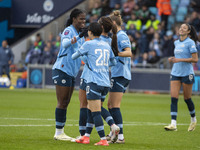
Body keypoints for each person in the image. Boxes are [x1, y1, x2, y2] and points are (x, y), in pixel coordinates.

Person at [73, 17, 120, 144]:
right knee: (93, 107)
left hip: (91, 78)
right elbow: (114, 62)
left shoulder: (89, 43)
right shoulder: (108, 42)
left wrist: (87, 58)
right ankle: (87, 136)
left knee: (90, 108)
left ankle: (103, 135)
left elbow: (75, 56)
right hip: (105, 80)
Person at [52, 8, 87, 141]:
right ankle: (58, 132)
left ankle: (60, 132)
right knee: (62, 101)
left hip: (71, 72)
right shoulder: (69, 30)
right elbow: (65, 43)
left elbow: (81, 52)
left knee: (66, 101)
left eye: (84, 19)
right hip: (62, 69)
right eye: (81, 19)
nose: (83, 21)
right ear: (74, 19)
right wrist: (78, 37)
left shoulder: (80, 35)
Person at [164, 23, 199, 131]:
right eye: (180, 27)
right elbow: (178, 56)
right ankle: (173, 124)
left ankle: (193, 119)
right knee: (173, 98)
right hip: (175, 72)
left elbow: (195, 59)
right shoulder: (176, 42)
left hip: (187, 73)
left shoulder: (191, 42)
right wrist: (173, 59)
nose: (181, 29)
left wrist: (179, 60)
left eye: (184, 28)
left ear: (188, 31)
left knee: (187, 98)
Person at [107, 10, 132, 144]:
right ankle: (113, 133)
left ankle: (120, 137)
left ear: (114, 23)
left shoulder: (122, 36)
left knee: (115, 106)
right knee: (110, 105)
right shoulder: (117, 36)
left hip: (121, 74)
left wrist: (116, 53)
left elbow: (129, 53)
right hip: (117, 73)